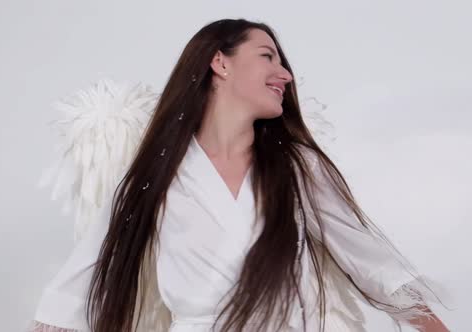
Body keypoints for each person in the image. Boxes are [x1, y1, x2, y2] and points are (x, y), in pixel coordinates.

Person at [30, 18, 450, 332]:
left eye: (283, 63)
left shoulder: (298, 167)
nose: (285, 73)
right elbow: (80, 280)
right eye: (267, 56)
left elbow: (373, 264)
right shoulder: (156, 173)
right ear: (220, 63)